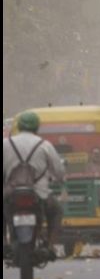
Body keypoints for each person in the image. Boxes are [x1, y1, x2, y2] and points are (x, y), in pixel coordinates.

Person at [3, 111, 66, 259]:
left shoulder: (6, 144)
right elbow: (58, 171)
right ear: (37, 127)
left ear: (18, 126)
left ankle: (5, 243)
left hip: (10, 193)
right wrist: (61, 179)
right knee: (56, 211)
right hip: (39, 193)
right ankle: (50, 247)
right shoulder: (45, 145)